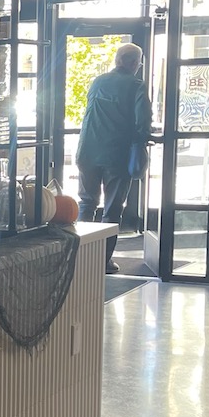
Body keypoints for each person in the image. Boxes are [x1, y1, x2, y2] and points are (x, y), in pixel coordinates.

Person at [76, 42, 152, 273]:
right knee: (112, 209)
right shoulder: (136, 86)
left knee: (86, 203)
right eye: (138, 62)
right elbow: (142, 121)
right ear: (133, 63)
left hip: (87, 151)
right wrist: (143, 140)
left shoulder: (98, 81)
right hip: (116, 156)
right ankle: (102, 261)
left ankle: (80, 257)